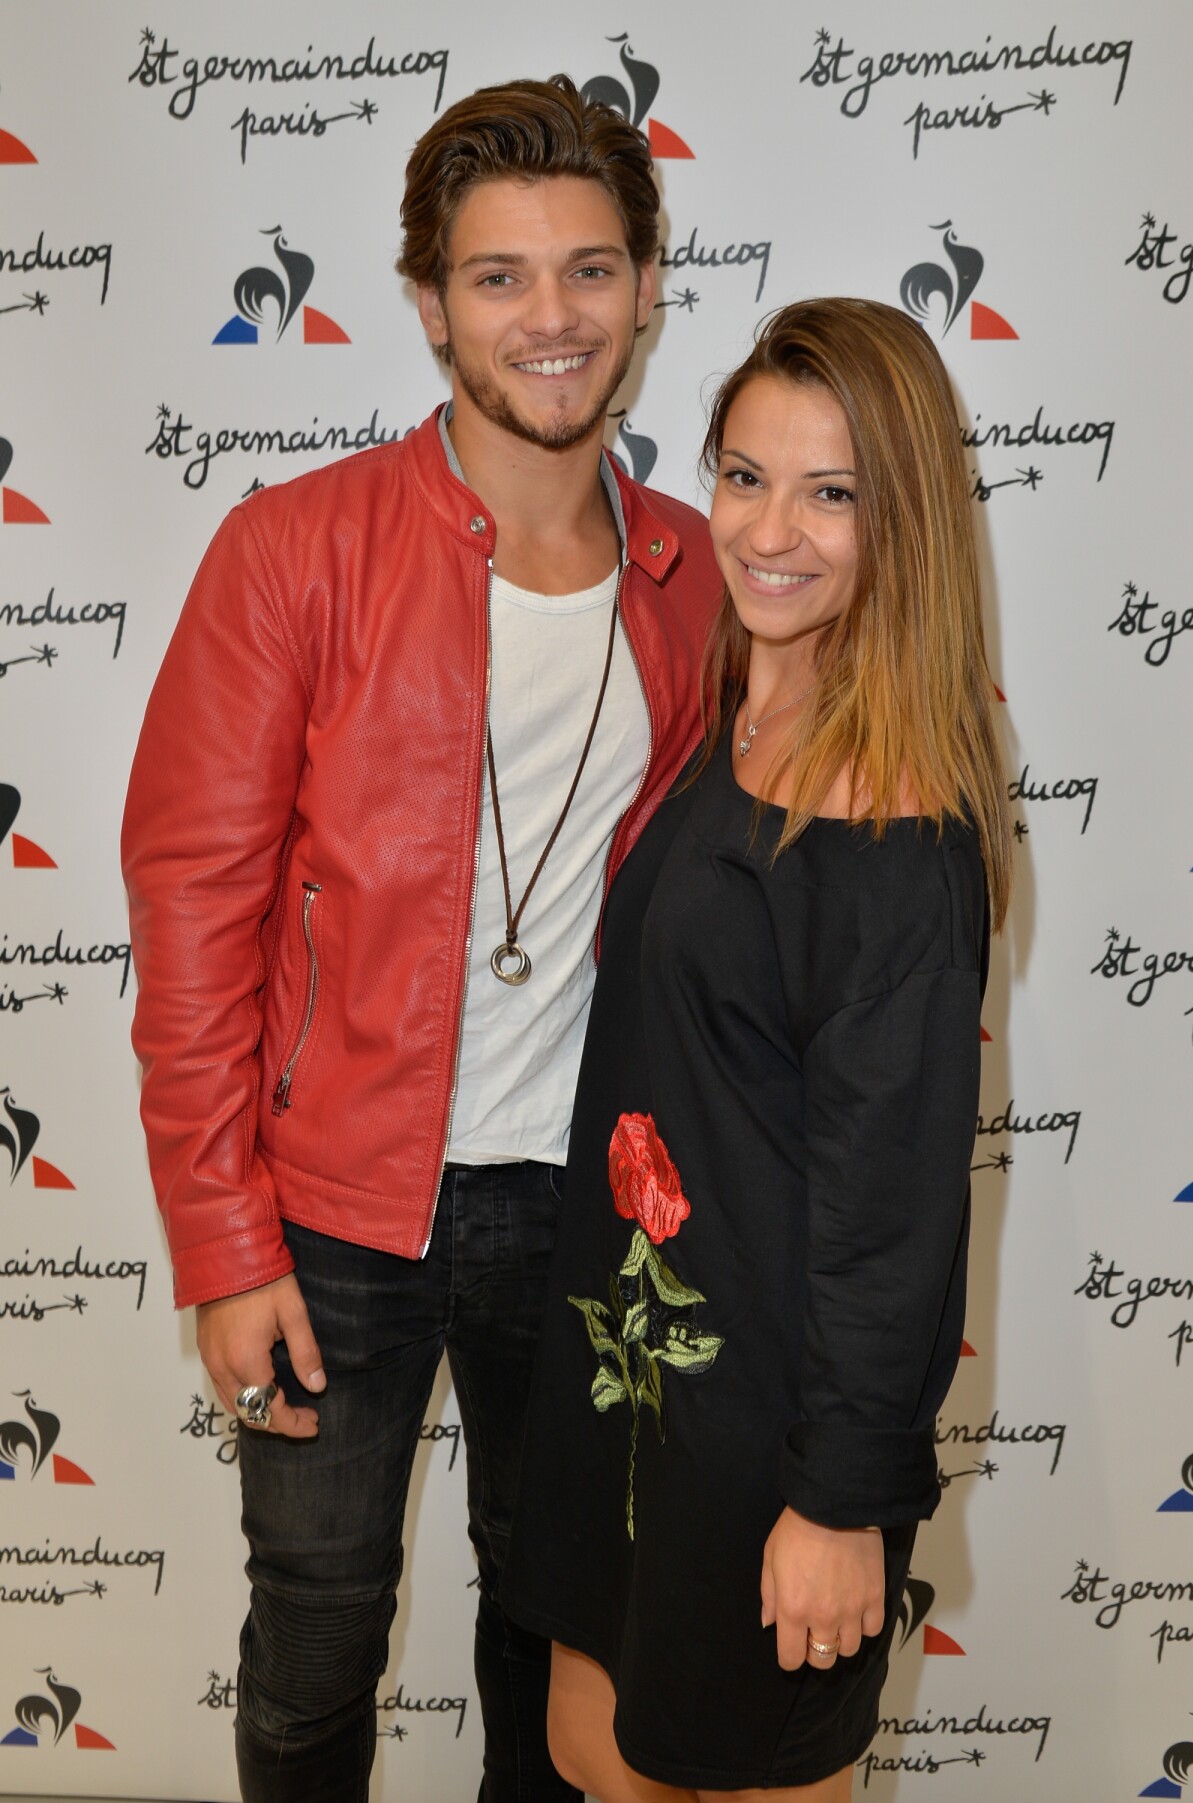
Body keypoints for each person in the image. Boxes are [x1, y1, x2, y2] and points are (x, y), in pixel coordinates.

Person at [121, 75, 720, 1803]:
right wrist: (224, 1241)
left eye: (589, 270)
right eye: (499, 276)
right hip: (332, 1210)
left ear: (646, 287)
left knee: (556, 1633)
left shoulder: (696, 573)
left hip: (594, 1204)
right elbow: (194, 910)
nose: (552, 318)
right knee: (317, 1630)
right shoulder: (291, 550)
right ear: (430, 301)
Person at [502, 297, 1012, 1802]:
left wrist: (841, 1505)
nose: (769, 531)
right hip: (640, 1389)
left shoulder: (896, 826)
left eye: (829, 492)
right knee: (594, 1752)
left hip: (771, 1450)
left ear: (903, 523)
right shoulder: (738, 709)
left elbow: (894, 1219)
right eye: (743, 475)